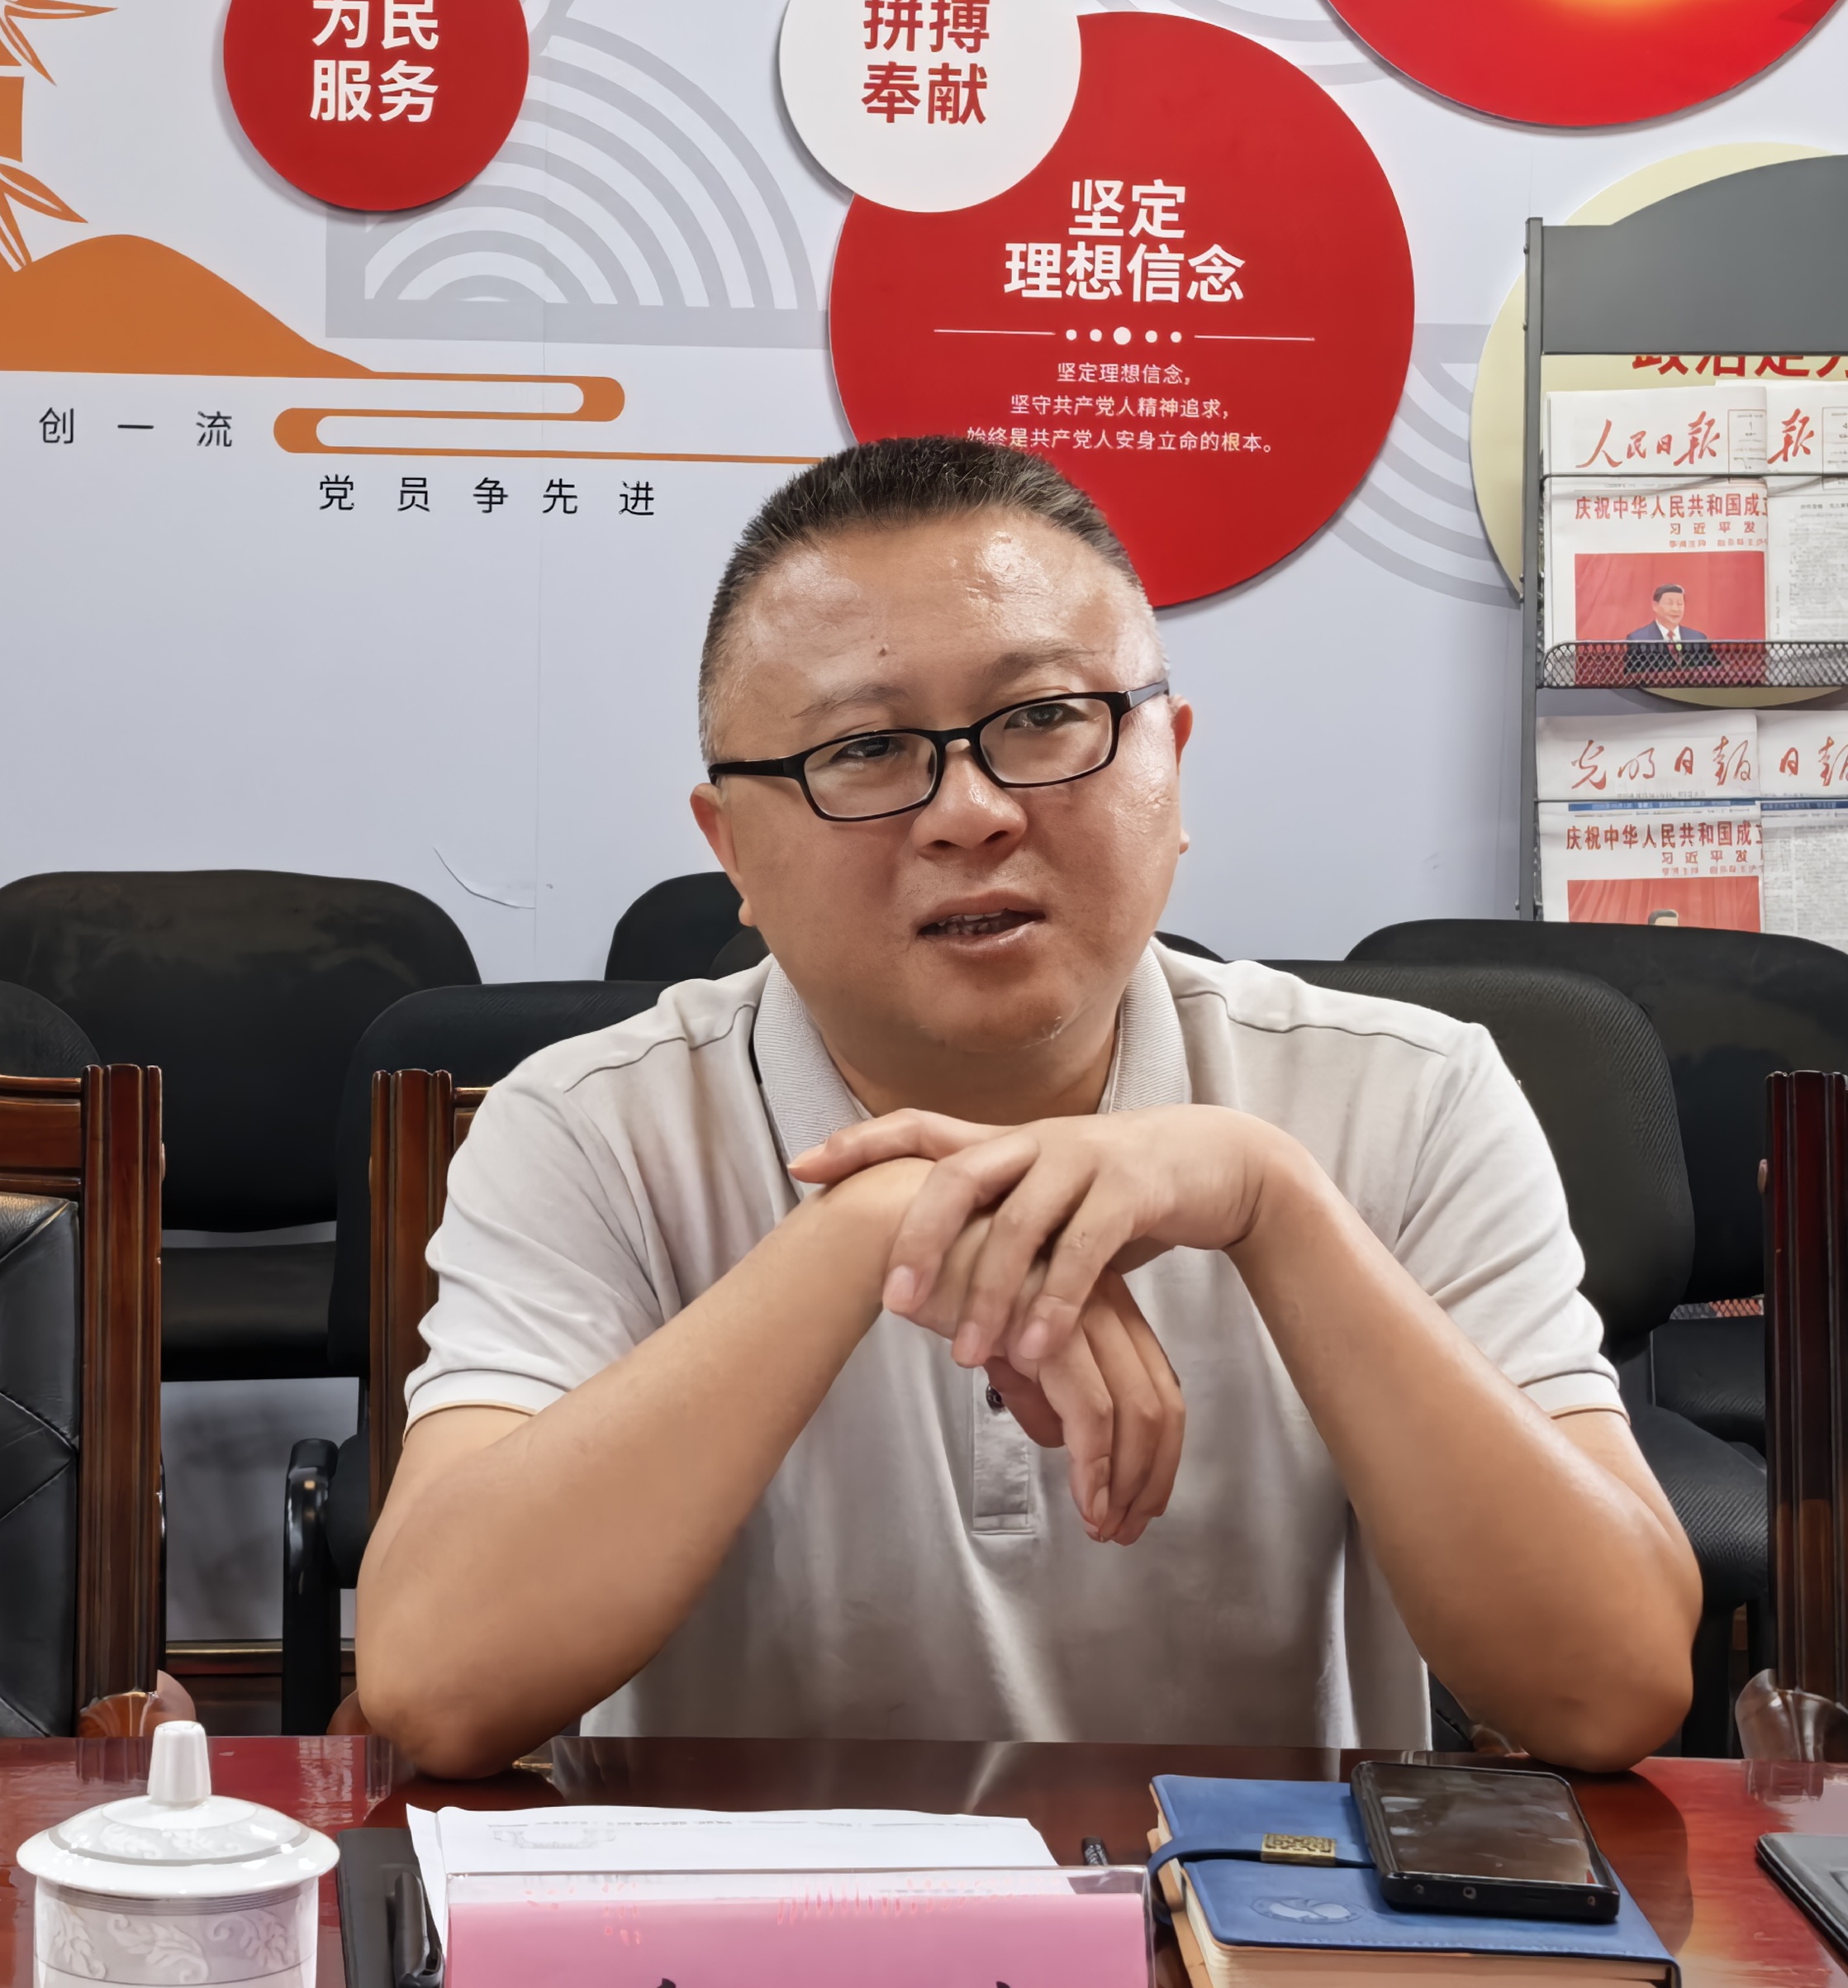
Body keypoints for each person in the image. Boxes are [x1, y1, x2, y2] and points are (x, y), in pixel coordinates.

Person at [356, 438, 1699, 1778]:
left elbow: (1607, 1687)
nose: (972, 811)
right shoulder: (592, 1127)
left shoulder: (1406, 1095)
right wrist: (875, 1224)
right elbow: (439, 1685)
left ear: (1169, 764)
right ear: (732, 851)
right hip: (752, 1907)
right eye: (864, 747)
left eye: (1045, 718)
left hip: (1245, 1910)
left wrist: (1274, 1201)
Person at [1626, 585, 1711, 648]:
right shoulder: (1638, 640)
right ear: (1655, 606)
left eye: (1680, 604)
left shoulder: (1698, 639)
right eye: (1669, 603)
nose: (1675, 609)